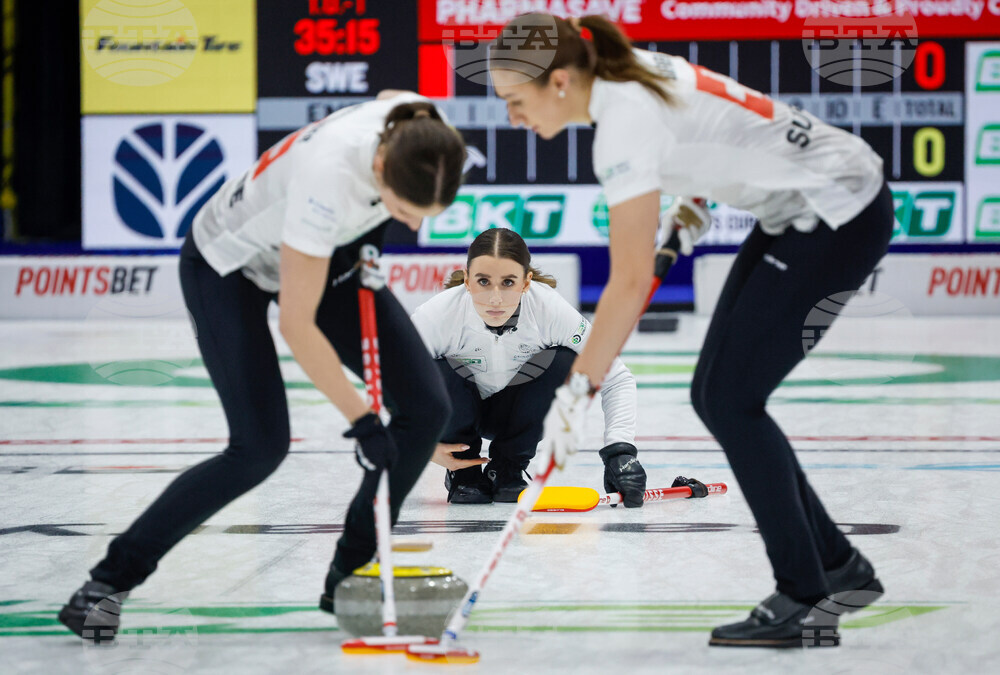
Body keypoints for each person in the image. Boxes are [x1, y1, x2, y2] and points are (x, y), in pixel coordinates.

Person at [488, 14, 888, 648]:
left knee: (731, 399)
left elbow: (626, 283)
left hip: (838, 209)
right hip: (803, 206)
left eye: (515, 101)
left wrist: (576, 394)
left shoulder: (620, 127)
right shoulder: (624, 78)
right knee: (719, 397)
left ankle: (808, 596)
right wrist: (691, 205)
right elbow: (721, 134)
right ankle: (838, 566)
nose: (511, 117)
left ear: (559, 82)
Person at [58, 92, 466, 641]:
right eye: (401, 212)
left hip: (331, 248)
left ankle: (348, 579)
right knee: (258, 447)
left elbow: (393, 97)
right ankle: (105, 585)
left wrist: (373, 235)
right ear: (378, 167)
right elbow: (298, 325)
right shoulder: (329, 179)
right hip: (228, 268)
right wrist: (365, 421)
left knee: (426, 407)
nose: (412, 226)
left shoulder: (421, 125)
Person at [410, 227, 646, 505]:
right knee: (428, 370)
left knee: (568, 362)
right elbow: (391, 383)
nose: (495, 298)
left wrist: (620, 452)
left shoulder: (549, 310)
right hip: (460, 409)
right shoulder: (436, 316)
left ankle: (508, 467)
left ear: (526, 282)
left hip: (519, 412)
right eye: (483, 282)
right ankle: (465, 472)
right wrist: (423, 447)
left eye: (508, 283)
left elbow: (616, 377)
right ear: (467, 281)